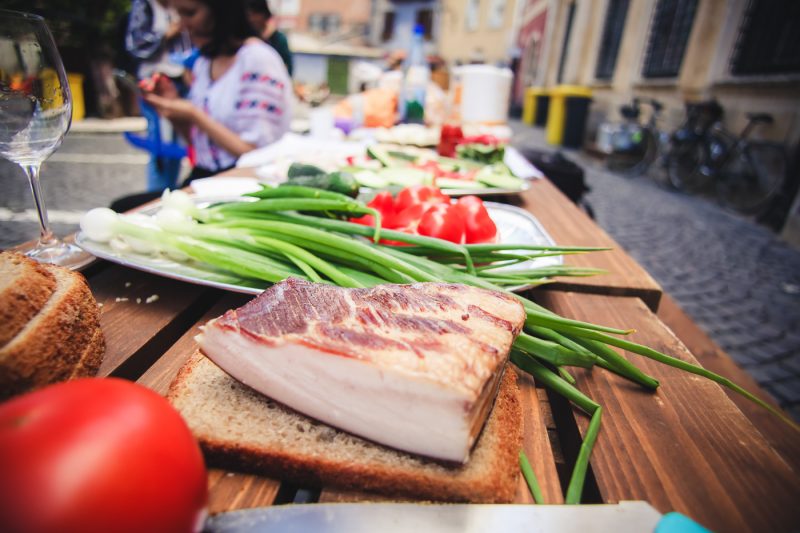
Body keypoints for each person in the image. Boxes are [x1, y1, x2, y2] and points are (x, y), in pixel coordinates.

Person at [142, 0, 292, 182]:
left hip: (243, 182)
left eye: (190, 13)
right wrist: (173, 109)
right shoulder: (204, 62)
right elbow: (200, 145)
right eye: (178, 15)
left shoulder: (257, 60)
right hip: (204, 177)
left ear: (221, 11)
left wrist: (193, 113)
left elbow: (258, 155)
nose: (182, 25)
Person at [125, 0, 191, 192]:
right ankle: (158, 193)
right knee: (160, 144)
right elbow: (135, 44)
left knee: (177, 144)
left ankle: (170, 190)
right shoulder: (145, 6)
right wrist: (167, 33)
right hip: (154, 81)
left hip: (180, 81)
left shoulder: (177, 6)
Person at [244, 0, 293, 77]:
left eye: (255, 14)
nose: (252, 19)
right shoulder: (245, 39)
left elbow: (288, 69)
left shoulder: (278, 40)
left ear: (264, 15)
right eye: (249, 15)